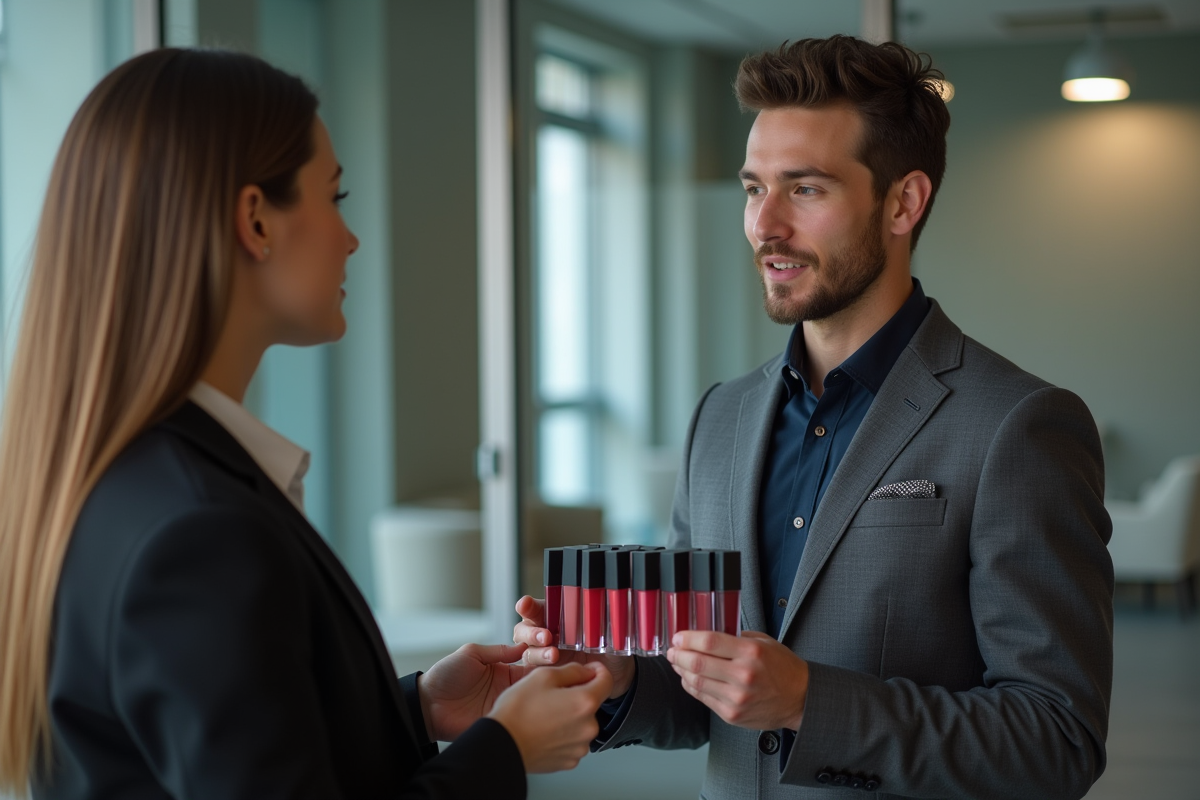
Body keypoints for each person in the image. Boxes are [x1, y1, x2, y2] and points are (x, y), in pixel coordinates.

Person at [0, 48, 611, 800]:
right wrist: (505, 750)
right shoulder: (198, 531)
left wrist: (415, 709)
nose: (350, 237)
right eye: (335, 195)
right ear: (255, 220)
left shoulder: (127, 485)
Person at [515, 35, 1113, 800]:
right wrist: (621, 678)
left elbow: (1056, 739)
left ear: (904, 202)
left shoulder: (1018, 425)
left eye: (805, 190)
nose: (765, 225)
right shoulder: (721, 419)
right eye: (751, 187)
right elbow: (715, 699)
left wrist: (808, 701)